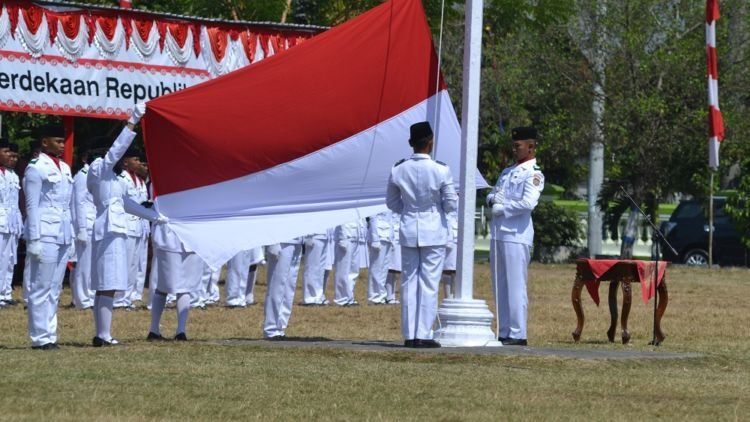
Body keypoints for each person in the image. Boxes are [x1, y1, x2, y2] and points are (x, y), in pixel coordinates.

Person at [88, 105, 165, 347]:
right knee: (107, 284)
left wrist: (156, 216)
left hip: (117, 230)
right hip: (108, 230)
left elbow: (128, 204)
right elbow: (113, 154)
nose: (122, 159)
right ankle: (103, 334)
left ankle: (102, 334)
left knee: (109, 284)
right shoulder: (98, 169)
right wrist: (132, 121)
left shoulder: (117, 179)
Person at [386, 121, 457, 348]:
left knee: (408, 282)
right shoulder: (441, 169)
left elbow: (391, 202)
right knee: (429, 282)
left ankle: (410, 334)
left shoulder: (398, 169)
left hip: (409, 227)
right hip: (433, 230)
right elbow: (451, 204)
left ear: (411, 144)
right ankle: (424, 333)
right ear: (430, 142)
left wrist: (409, 211)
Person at [487, 126, 544, 346]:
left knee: (516, 285)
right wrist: (493, 200)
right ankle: (503, 331)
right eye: (513, 145)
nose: (514, 149)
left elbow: (528, 203)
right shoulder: (507, 171)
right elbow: (494, 193)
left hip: (516, 234)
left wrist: (504, 207)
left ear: (530, 147)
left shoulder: (534, 173)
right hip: (498, 233)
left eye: (517, 146)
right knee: (499, 284)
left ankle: (517, 333)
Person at [22, 124, 76, 349]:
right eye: (58, 141)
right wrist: (33, 239)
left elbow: (67, 206)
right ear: (45, 142)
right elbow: (32, 206)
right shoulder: (36, 167)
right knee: (41, 285)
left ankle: (50, 335)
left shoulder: (64, 167)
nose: (62, 145)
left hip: (62, 233)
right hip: (44, 232)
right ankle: (39, 337)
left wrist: (71, 236)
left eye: (63, 141)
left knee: (55, 287)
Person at [114, 148, 147, 309]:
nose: (139, 163)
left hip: (139, 226)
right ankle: (119, 298)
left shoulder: (139, 180)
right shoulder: (121, 178)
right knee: (125, 263)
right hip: (127, 224)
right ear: (125, 162)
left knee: (134, 264)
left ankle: (128, 297)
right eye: (135, 159)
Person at [70, 149, 98, 310]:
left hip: (94, 223)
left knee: (92, 263)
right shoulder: (82, 175)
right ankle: (82, 298)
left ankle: (90, 295)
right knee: (84, 263)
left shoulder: (94, 174)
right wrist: (80, 228)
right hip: (85, 224)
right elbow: (78, 203)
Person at [263, 238, 303, 339]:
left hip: (297, 239)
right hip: (282, 241)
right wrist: (273, 242)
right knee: (277, 285)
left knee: (288, 287)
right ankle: (271, 328)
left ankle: (279, 326)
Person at [333, 219, 365, 306]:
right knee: (343, 270)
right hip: (346, 236)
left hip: (356, 236)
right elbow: (340, 217)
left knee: (353, 270)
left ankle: (349, 296)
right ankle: (341, 298)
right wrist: (341, 237)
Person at [367, 211, 394, 304]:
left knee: (384, 270)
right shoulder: (375, 199)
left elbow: (391, 219)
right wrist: (375, 239)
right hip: (379, 236)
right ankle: (374, 296)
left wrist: (392, 237)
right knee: (376, 269)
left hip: (388, 237)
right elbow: (372, 218)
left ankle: (381, 295)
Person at [301, 229, 330, 306]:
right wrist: (308, 235)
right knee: (312, 268)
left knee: (320, 270)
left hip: (324, 235)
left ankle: (318, 296)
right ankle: (309, 298)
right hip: (314, 235)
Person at [441, 210, 459, 299]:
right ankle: (448, 298)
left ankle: (456, 297)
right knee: (448, 267)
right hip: (449, 233)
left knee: (458, 269)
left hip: (460, 235)